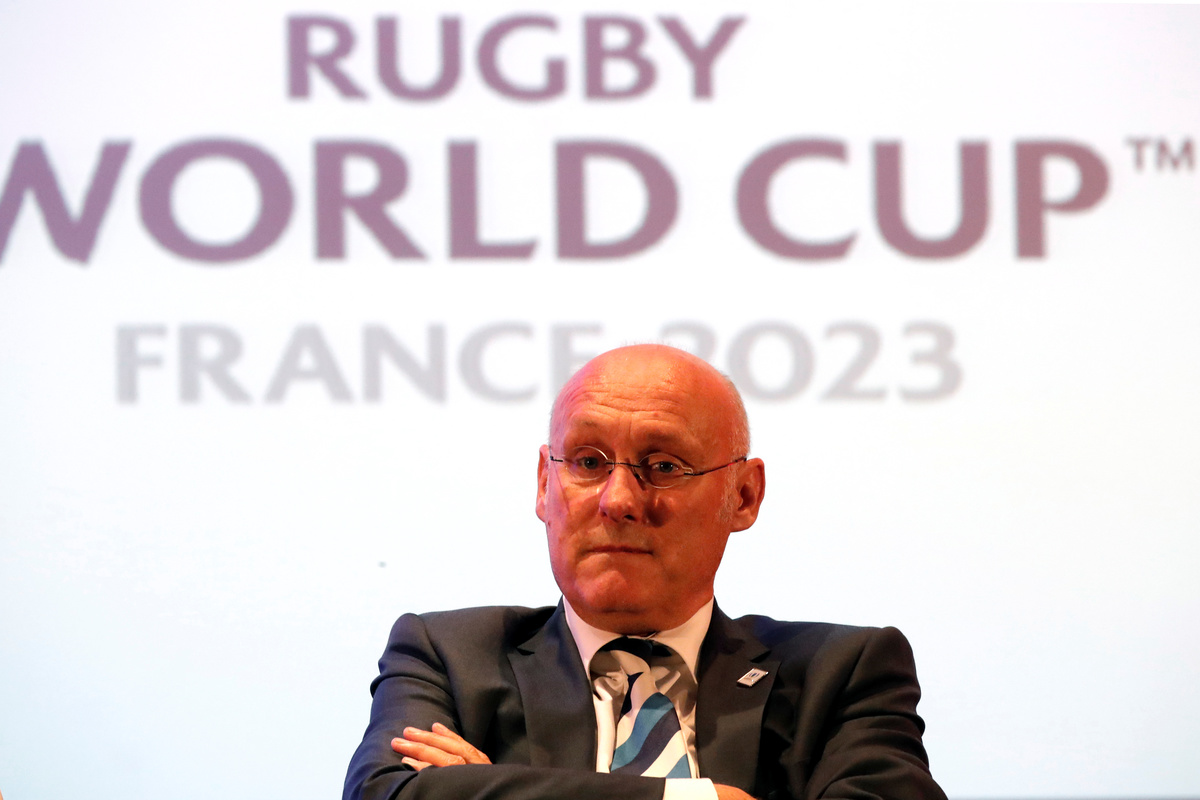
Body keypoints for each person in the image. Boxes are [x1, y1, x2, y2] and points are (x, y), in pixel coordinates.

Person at [344, 344, 945, 800]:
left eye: (663, 466)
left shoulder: (841, 673)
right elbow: (387, 794)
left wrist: (489, 789)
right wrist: (700, 799)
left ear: (743, 495)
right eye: (588, 462)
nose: (619, 500)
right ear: (544, 484)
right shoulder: (450, 657)